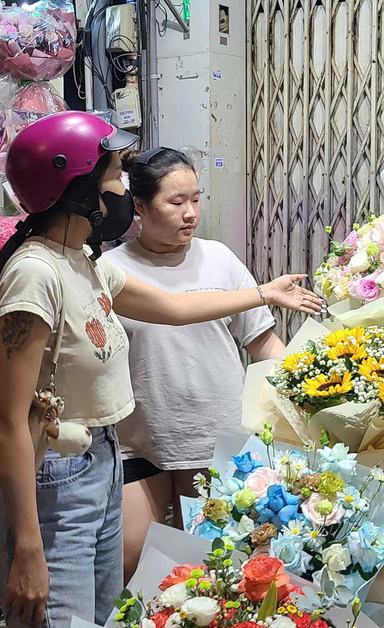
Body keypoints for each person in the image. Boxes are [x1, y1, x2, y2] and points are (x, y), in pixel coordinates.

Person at [0, 112, 322, 628]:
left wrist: (264, 294)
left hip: (98, 458)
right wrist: (27, 549)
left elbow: (174, 307)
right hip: (59, 468)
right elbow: (8, 419)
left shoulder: (85, 262)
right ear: (75, 189)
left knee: (102, 615)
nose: (121, 188)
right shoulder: (35, 274)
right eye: (114, 177)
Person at [102, 148, 285, 580]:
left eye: (196, 199)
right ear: (140, 207)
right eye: (176, 202)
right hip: (138, 438)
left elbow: (262, 342)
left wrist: (311, 383)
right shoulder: (110, 270)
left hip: (213, 436)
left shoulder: (219, 257)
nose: (191, 213)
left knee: (214, 564)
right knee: (136, 565)